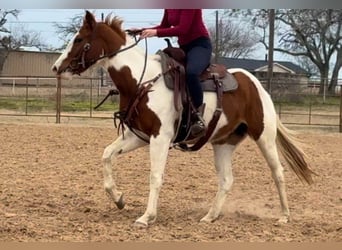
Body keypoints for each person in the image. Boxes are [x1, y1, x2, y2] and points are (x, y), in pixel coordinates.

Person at [140, 9, 212, 137]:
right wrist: (143, 30)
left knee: (191, 73)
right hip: (183, 48)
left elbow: (182, 29)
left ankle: (198, 116)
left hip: (200, 45)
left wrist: (155, 33)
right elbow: (164, 26)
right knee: (166, 68)